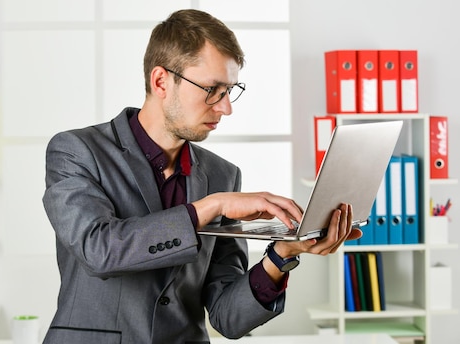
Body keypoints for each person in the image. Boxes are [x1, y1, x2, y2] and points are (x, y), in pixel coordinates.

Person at [42, 9, 361, 344]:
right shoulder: (76, 150)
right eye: (212, 89)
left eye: (230, 90)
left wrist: (281, 255)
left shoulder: (222, 174)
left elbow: (228, 317)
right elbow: (99, 250)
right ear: (161, 81)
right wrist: (209, 208)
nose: (226, 107)